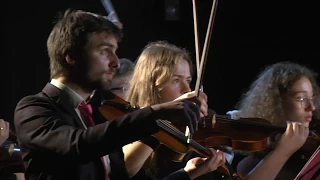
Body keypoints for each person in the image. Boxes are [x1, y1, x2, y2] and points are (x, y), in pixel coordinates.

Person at [13, 9, 203, 180]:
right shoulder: (33, 109)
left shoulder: (99, 111)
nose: (116, 62)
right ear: (71, 56)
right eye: (105, 51)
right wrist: (157, 114)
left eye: (115, 51)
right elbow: (79, 145)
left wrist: (186, 174)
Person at [123, 41, 229, 180]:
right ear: (152, 85)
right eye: (176, 80)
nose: (187, 90)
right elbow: (123, 170)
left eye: (188, 80)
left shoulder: (191, 128)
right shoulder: (129, 125)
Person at [233, 61, 320, 179]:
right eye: (300, 98)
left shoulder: (311, 150)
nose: (312, 107)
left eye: (311, 98)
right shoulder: (251, 165)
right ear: (277, 103)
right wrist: (284, 150)